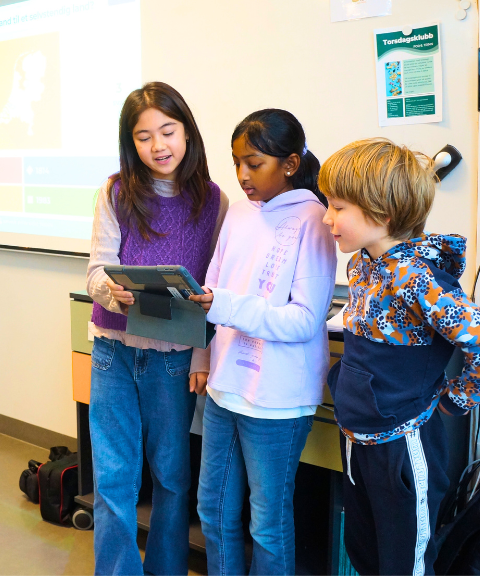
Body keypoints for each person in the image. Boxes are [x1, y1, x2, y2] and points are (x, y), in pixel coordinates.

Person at [318, 137, 480, 575]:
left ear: (382, 214)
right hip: (357, 440)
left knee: (405, 563)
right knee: (365, 553)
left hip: (400, 446)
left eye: (338, 207)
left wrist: (456, 399)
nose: (326, 217)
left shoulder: (417, 278)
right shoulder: (363, 265)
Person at [86, 81, 229, 576]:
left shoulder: (213, 202)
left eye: (167, 131)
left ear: (187, 132)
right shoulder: (116, 192)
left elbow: (214, 285)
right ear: (132, 143)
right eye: (144, 137)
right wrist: (111, 291)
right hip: (113, 351)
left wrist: (203, 353)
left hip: (173, 357)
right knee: (114, 479)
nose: (158, 146)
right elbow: (96, 270)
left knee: (172, 478)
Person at [187, 108, 337, 575]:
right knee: (212, 509)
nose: (242, 175)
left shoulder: (314, 220)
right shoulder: (237, 214)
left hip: (276, 401)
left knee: (267, 525)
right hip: (224, 388)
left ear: (290, 164)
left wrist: (223, 305)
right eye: (236, 163)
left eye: (254, 163)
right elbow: (207, 293)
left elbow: (304, 320)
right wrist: (202, 353)